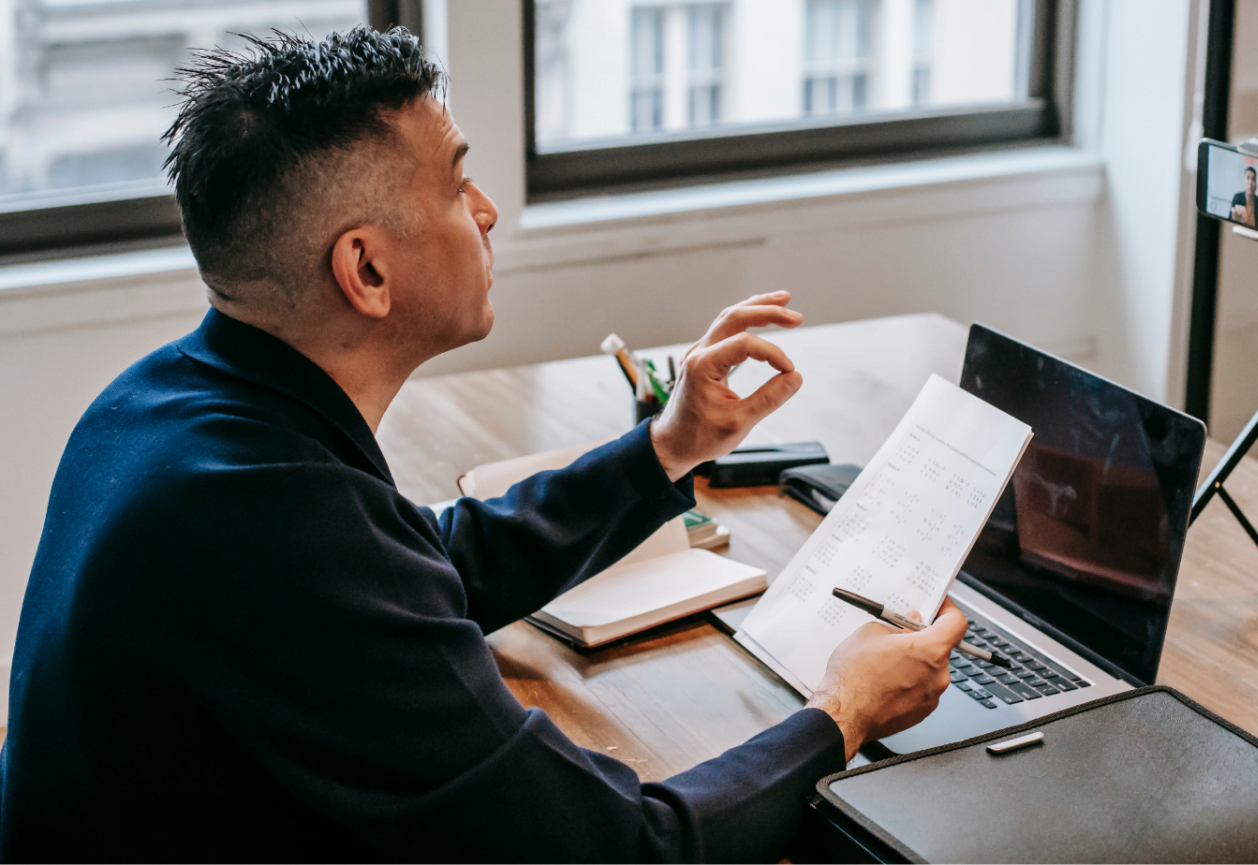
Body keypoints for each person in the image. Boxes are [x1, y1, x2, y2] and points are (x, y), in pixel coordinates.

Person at [0, 27, 964, 861]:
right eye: (459, 183)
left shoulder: (163, 408)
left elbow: (428, 560)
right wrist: (841, 712)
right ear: (366, 268)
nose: (490, 210)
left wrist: (668, 445)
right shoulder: (274, 530)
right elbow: (625, 849)